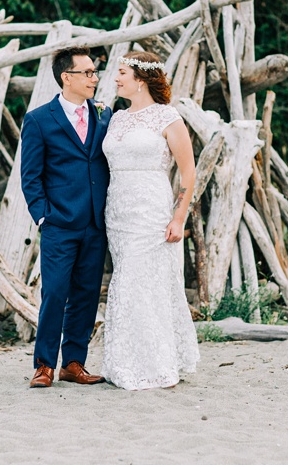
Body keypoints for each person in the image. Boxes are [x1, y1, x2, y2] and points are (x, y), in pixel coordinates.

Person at [100, 50, 199, 390]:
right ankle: (124, 362)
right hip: (118, 213)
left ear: (140, 80)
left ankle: (156, 364)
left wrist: (178, 218)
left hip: (151, 212)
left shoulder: (167, 117)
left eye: (122, 72)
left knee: (142, 284)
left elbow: (188, 171)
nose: (116, 78)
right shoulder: (115, 118)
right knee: (126, 282)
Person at [19, 46, 112, 388]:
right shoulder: (40, 119)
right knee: (55, 293)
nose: (94, 78)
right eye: (87, 73)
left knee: (87, 294)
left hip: (95, 223)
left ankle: (73, 363)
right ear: (66, 77)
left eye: (94, 72)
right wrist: (43, 217)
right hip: (59, 224)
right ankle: (44, 364)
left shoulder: (105, 114)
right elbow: (30, 175)